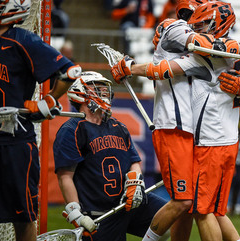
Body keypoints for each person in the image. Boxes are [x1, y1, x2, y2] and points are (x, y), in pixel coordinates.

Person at [110, 0, 240, 240]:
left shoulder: (219, 54)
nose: (199, 24)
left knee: (200, 207)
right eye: (199, 16)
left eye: (204, 20)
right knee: (193, 204)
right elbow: (183, 56)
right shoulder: (179, 29)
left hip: (207, 137)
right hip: (184, 128)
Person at [0, 0, 82, 240]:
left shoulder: (24, 40)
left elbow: (70, 71)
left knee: (22, 216)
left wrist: (47, 101)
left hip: (15, 143)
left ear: (10, 9)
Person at [53, 72, 170, 241]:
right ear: (80, 94)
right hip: (101, 212)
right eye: (97, 88)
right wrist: (75, 212)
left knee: (170, 217)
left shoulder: (117, 126)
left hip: (128, 203)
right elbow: (65, 177)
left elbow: (134, 161)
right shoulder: (72, 130)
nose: (104, 92)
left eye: (104, 88)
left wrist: (135, 181)